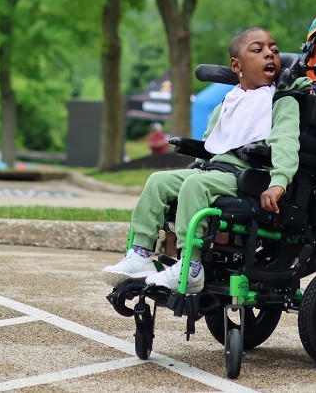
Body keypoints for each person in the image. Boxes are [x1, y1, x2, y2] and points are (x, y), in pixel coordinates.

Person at [101, 27, 303, 293]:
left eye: (274, 51)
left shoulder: (281, 102)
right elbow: (212, 142)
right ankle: (139, 254)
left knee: (194, 187)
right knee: (158, 181)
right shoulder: (229, 103)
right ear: (237, 65)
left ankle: (191, 266)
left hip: (248, 176)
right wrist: (198, 163)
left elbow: (286, 144)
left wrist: (279, 181)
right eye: (258, 50)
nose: (269, 54)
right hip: (214, 168)